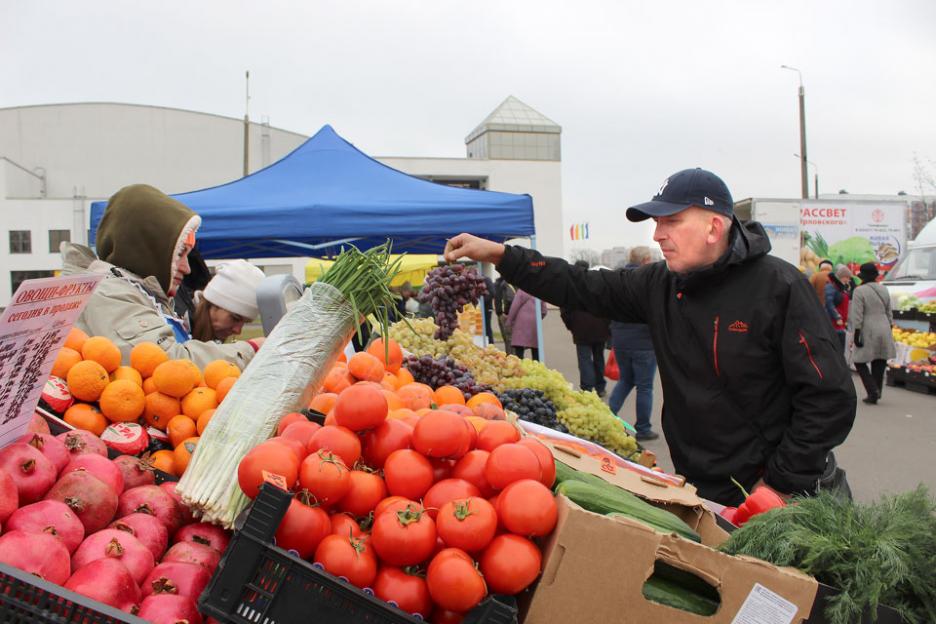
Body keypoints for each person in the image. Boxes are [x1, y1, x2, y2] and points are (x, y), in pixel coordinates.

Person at [444, 168, 856, 507]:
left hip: (785, 494)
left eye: (671, 221)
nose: (657, 234)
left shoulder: (778, 287)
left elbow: (828, 398)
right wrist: (501, 255)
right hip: (704, 487)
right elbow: (581, 285)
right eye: (657, 222)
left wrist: (780, 484)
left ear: (714, 227)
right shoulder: (658, 283)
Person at [61, 184, 262, 369]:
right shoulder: (110, 294)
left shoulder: (140, 293)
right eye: (179, 254)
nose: (187, 268)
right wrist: (252, 349)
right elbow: (168, 363)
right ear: (148, 248)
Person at [608, 248, 659, 441]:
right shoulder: (648, 282)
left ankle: (608, 415)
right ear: (645, 260)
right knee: (644, 387)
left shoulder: (619, 279)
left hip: (620, 340)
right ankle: (643, 428)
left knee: (626, 380)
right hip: (643, 343)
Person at [561, 261, 611, 396]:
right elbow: (607, 306)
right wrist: (607, 326)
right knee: (599, 358)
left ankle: (587, 388)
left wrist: (571, 326)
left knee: (585, 360)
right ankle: (600, 387)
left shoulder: (570, 287)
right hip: (600, 328)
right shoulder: (597, 284)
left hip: (581, 329)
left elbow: (564, 310)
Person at [849, 263, 896, 405]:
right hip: (884, 326)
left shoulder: (859, 291)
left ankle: (872, 389)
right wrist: (890, 326)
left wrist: (856, 332)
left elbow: (857, 315)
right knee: (880, 359)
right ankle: (877, 391)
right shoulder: (884, 289)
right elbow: (889, 311)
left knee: (858, 360)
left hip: (867, 328)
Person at [191, 260, 265, 342]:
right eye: (235, 318)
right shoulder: (177, 330)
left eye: (245, 323)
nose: (238, 331)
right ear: (213, 303)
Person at [506, 289, 547, 361]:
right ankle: (536, 366)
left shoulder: (522, 291)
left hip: (520, 323)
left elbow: (514, 307)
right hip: (534, 323)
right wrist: (537, 318)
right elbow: (544, 311)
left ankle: (520, 366)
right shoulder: (540, 291)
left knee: (519, 347)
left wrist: (509, 321)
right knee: (535, 348)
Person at [493, 276, 515, 349]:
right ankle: (512, 356)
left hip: (501, 313)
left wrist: (502, 312)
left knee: (507, 338)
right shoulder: (505, 283)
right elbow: (509, 298)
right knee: (509, 338)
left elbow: (508, 298)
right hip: (504, 314)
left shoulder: (498, 283)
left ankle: (510, 356)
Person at [481, 275, 496, 345]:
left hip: (487, 309)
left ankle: (490, 344)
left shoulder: (487, 280)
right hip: (478, 309)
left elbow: (492, 293)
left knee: (487, 327)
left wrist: (481, 301)